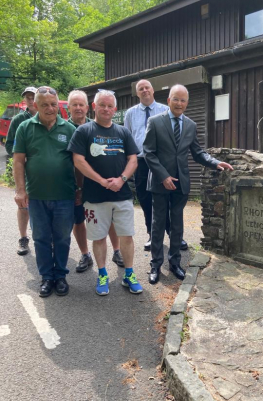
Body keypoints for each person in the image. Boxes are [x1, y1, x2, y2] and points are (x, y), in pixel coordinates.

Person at [144, 84, 233, 285]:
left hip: (181, 184)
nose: (179, 103)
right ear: (168, 100)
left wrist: (215, 162)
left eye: (183, 100)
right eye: (176, 99)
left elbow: (198, 152)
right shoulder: (155, 122)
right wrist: (164, 176)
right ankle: (155, 264)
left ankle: (175, 262)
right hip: (160, 182)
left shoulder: (191, 125)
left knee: (177, 224)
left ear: (187, 103)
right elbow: (148, 152)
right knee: (158, 224)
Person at [68, 89, 143, 296]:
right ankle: (102, 275)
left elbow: (133, 159)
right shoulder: (84, 131)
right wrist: (101, 181)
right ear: (94, 106)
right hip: (94, 197)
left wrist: (122, 179)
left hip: (122, 194)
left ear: (115, 109)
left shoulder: (123, 132)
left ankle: (129, 274)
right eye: (102, 105)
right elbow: (78, 160)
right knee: (98, 237)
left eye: (110, 106)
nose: (106, 109)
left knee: (127, 236)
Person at [13, 86, 76, 298]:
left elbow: (78, 163)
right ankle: (46, 277)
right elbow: (18, 161)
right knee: (40, 237)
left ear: (58, 105)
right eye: (44, 105)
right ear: (35, 106)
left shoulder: (69, 129)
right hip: (37, 195)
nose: (50, 108)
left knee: (62, 238)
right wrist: (20, 190)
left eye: (53, 104)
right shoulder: (24, 128)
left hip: (64, 195)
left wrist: (80, 189)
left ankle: (60, 275)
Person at [124, 79, 188, 251]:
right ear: (137, 93)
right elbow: (128, 138)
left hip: (161, 162)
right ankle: (152, 235)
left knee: (165, 199)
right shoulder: (130, 113)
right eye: (140, 89)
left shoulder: (164, 109)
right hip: (141, 162)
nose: (144, 91)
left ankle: (174, 235)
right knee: (145, 199)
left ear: (153, 90)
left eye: (147, 88)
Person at [67, 90, 124, 272]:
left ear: (87, 107)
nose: (78, 108)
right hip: (73, 184)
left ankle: (117, 251)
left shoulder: (97, 126)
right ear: (68, 107)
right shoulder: (62, 127)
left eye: (81, 104)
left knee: (109, 219)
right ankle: (85, 254)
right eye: (74, 104)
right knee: (79, 220)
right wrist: (77, 187)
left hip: (98, 184)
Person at [5, 86, 37, 256]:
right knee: (23, 204)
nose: (31, 100)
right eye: (28, 97)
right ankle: (23, 238)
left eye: (33, 96)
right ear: (24, 100)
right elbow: (9, 144)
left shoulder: (48, 115)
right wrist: (20, 156)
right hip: (25, 169)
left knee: (44, 204)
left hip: (41, 172)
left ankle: (48, 238)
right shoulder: (18, 120)